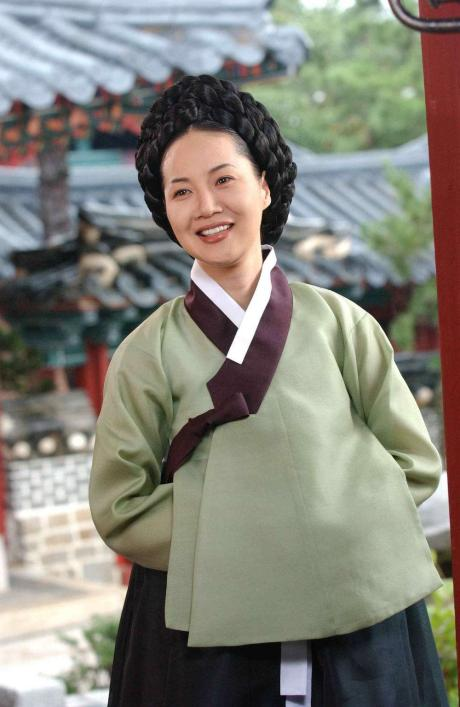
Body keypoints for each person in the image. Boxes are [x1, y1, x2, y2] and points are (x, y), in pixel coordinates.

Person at [89, 74, 449, 706]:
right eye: (181, 191)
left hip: (357, 611)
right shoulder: (145, 353)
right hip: (207, 631)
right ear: (164, 210)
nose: (206, 206)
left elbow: (413, 464)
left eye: (224, 179)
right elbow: (121, 505)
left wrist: (319, 532)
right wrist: (242, 545)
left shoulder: (341, 323)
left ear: (263, 184)